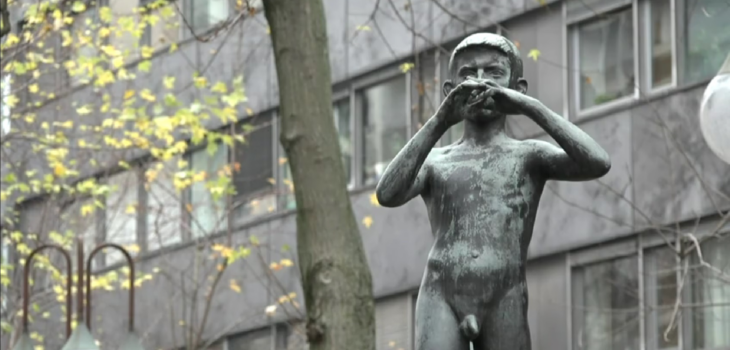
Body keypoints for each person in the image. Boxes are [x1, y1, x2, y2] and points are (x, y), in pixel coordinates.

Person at [375, 33, 611, 350]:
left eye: (494, 72)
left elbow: (597, 162)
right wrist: (441, 119)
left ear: (517, 88)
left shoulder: (529, 156)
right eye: (468, 73)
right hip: (441, 293)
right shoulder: (436, 161)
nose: (480, 82)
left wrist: (531, 108)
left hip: (506, 293)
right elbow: (388, 193)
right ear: (450, 91)